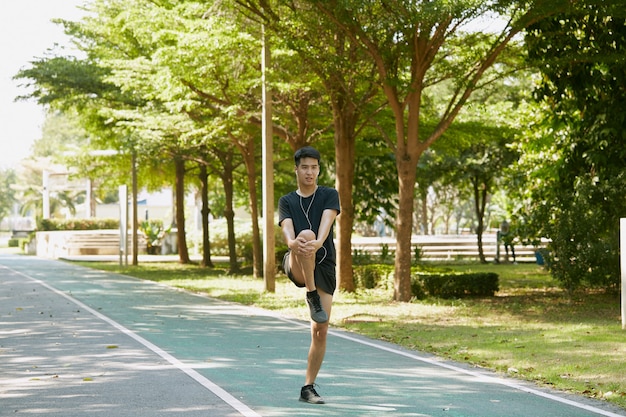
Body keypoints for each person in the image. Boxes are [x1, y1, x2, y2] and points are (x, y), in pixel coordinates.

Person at [278, 146, 340, 405]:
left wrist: (318, 243)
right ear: (297, 169)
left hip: (323, 262)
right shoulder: (287, 201)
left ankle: (308, 387)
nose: (310, 172)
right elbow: (288, 229)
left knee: (320, 330)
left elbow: (326, 223)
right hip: (296, 263)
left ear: (319, 169)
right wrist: (293, 243)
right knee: (306, 235)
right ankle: (311, 294)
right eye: (305, 167)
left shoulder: (329, 195)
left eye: (314, 167)